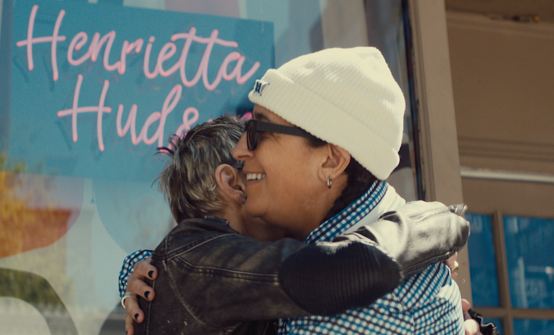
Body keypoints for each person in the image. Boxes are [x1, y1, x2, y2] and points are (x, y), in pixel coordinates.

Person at [122, 116, 471, 334]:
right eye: (260, 167)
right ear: (233, 182)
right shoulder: (193, 264)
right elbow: (334, 269)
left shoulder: (188, 266)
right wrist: (440, 225)